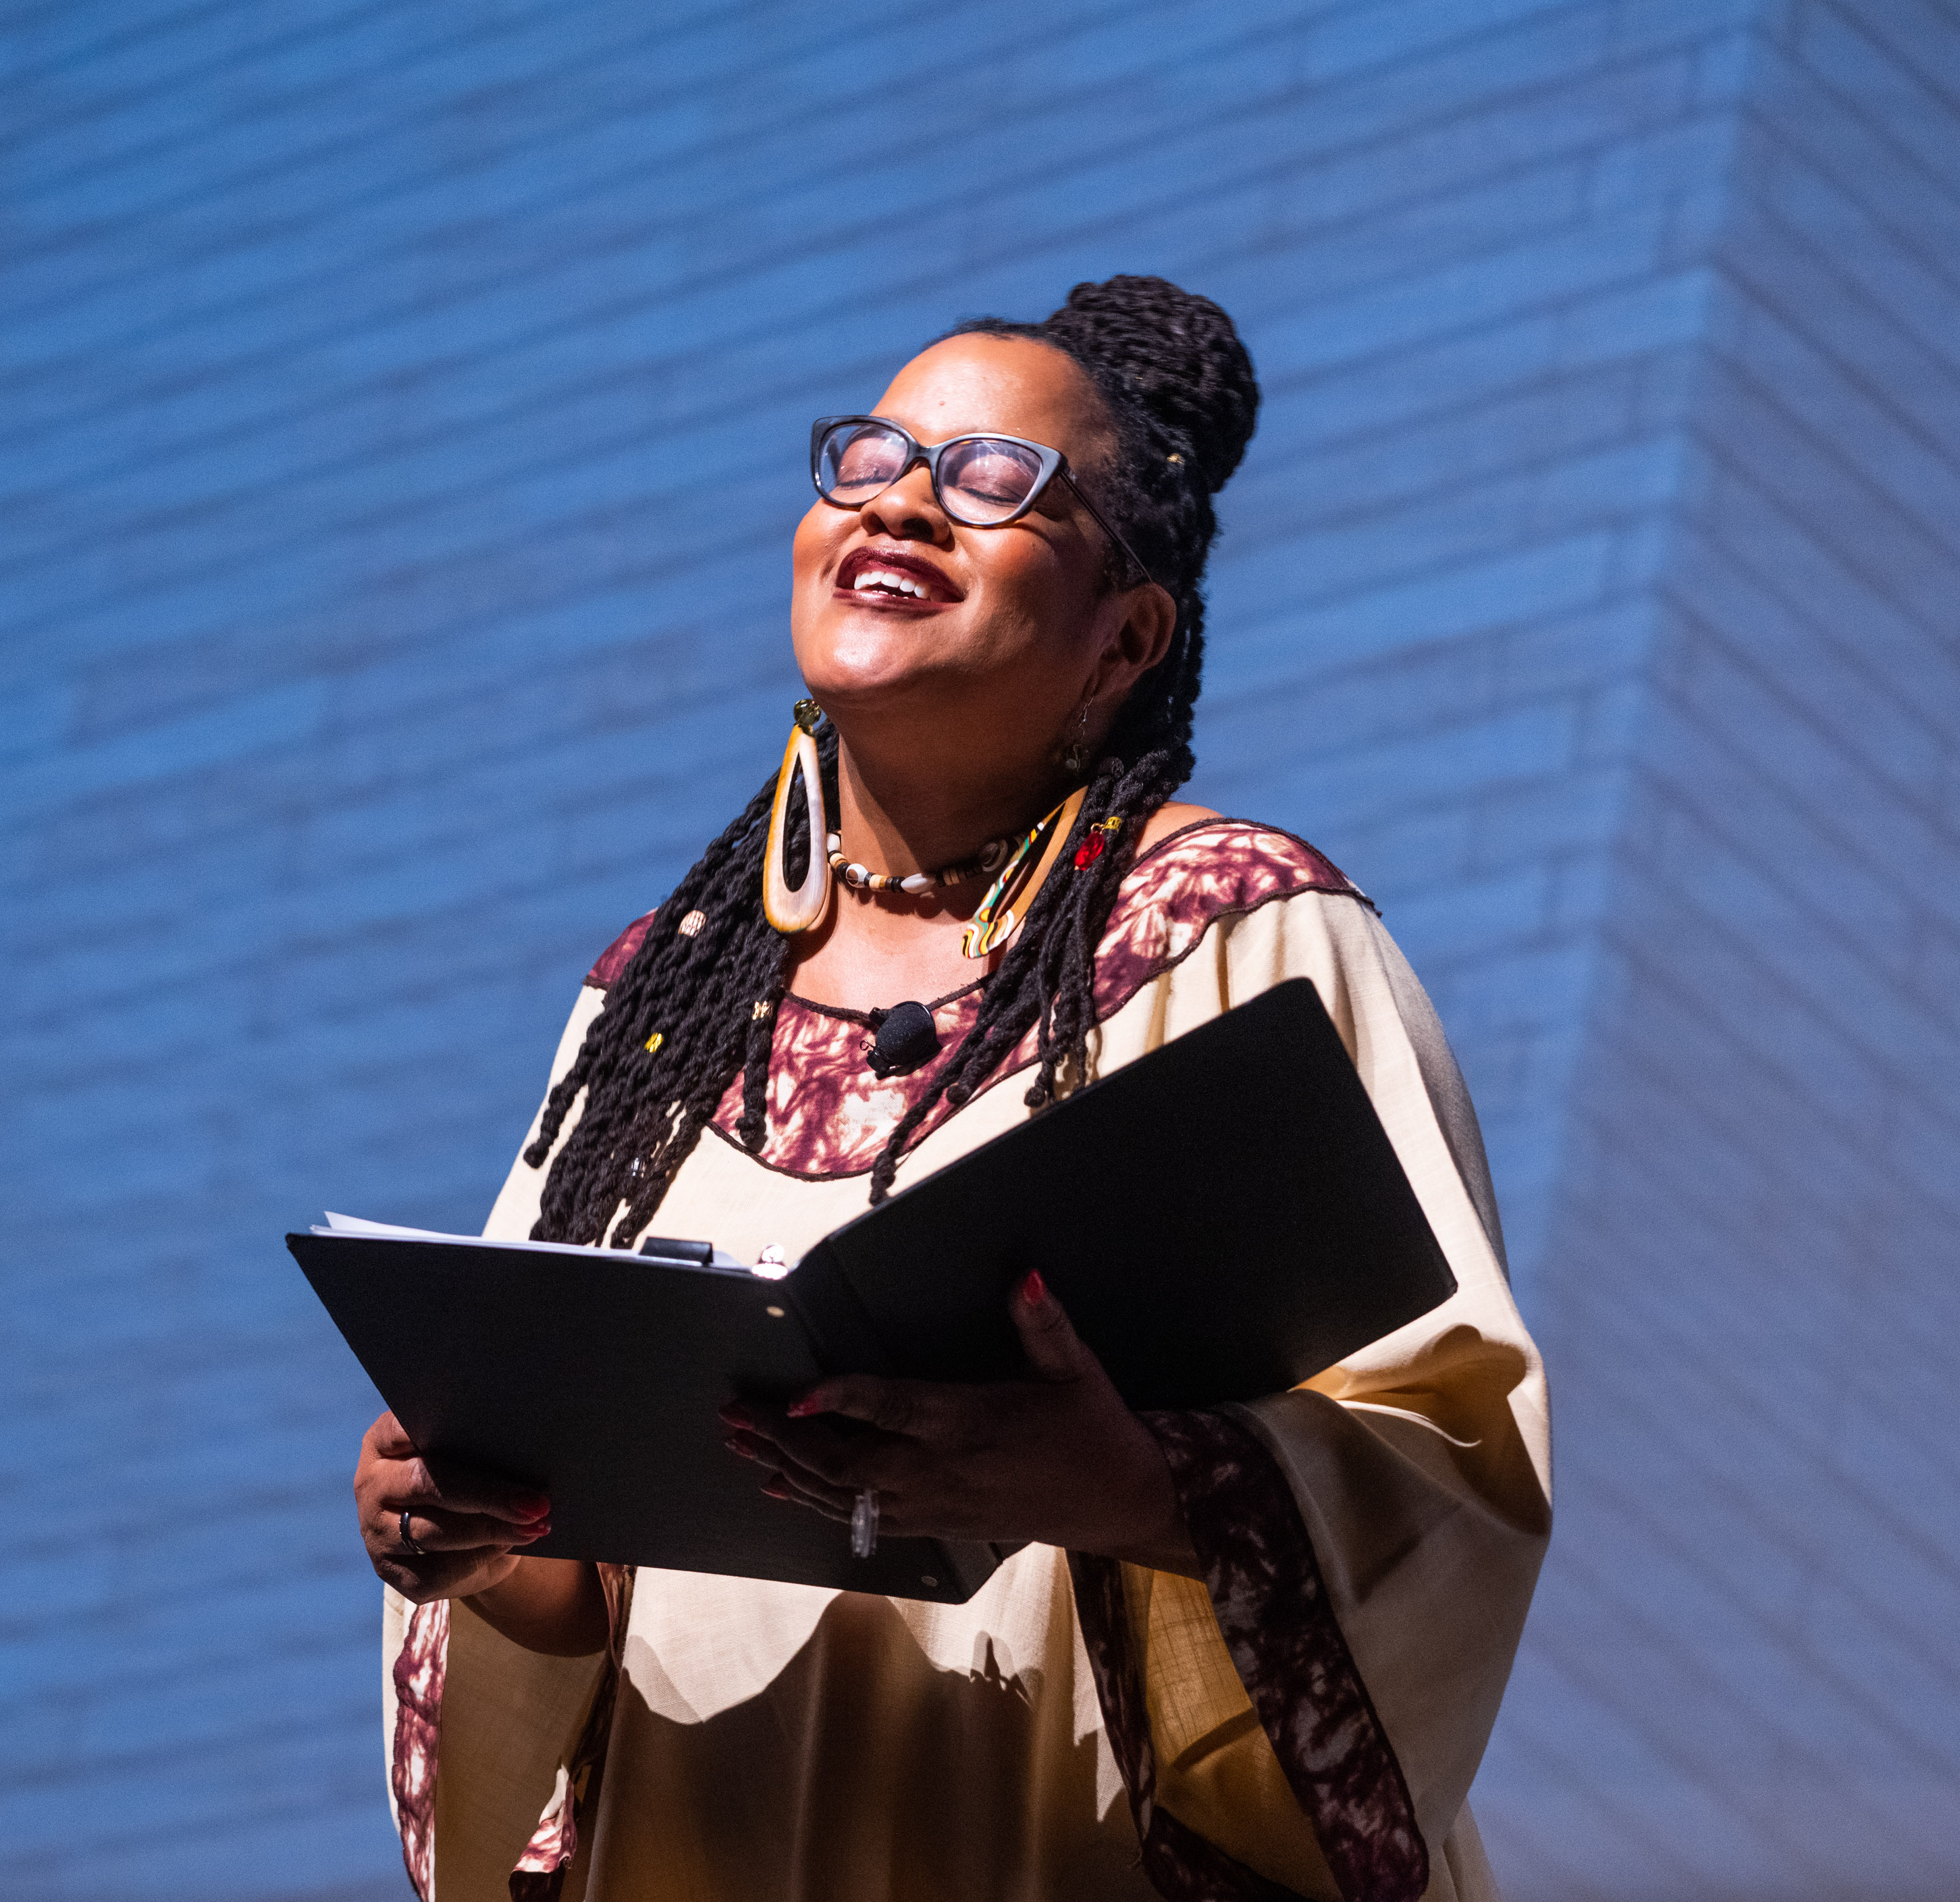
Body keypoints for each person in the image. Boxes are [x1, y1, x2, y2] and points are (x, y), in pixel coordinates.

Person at [349, 276, 1549, 1902]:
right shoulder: (660, 1000)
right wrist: (478, 1544)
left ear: (1127, 637)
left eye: (994, 480)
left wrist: (1127, 1487)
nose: (903, 497)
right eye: (869, 459)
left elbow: (1453, 1474)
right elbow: (586, 1575)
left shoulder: (1239, 937)